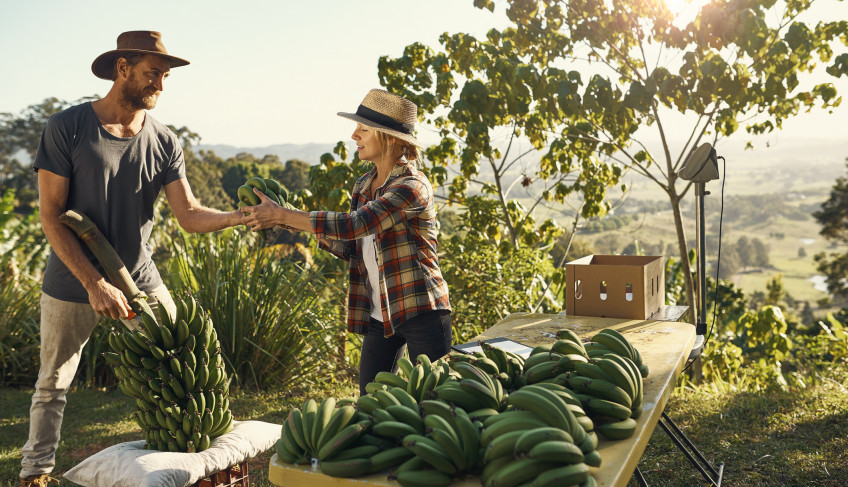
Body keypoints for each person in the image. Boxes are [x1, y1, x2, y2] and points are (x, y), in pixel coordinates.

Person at [19, 31, 242, 486]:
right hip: (72, 279)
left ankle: (188, 462)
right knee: (53, 384)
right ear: (123, 69)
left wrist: (244, 216)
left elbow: (191, 215)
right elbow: (51, 214)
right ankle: (35, 472)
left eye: (164, 76)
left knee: (181, 359)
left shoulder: (164, 140)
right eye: (152, 74)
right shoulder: (68, 127)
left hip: (139, 278)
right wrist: (92, 282)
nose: (160, 84)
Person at [242, 89, 452, 396]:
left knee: (437, 398)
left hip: (421, 309)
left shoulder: (412, 186)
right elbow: (351, 245)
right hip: (380, 312)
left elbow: (356, 224)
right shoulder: (364, 185)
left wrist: (285, 215)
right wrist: (287, 220)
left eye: (364, 129)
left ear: (390, 138)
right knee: (371, 401)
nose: (354, 135)